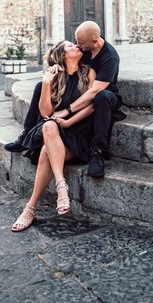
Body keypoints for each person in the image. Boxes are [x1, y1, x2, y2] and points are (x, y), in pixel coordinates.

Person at [5, 20, 124, 177]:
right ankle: (27, 134)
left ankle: (98, 152)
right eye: (76, 42)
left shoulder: (110, 57)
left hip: (103, 97)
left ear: (94, 41)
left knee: (102, 97)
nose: (77, 45)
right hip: (81, 90)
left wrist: (67, 112)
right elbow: (63, 57)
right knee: (41, 86)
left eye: (80, 43)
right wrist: (54, 68)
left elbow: (94, 92)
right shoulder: (84, 47)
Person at [11, 39, 96, 232]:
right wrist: (46, 84)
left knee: (45, 152)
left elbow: (92, 105)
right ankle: (60, 185)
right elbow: (45, 113)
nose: (76, 46)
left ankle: (30, 208)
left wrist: (68, 120)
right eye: (70, 46)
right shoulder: (55, 78)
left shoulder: (88, 73)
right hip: (57, 134)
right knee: (49, 127)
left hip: (80, 133)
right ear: (63, 55)